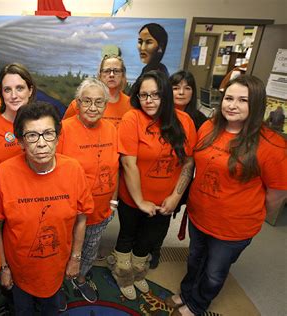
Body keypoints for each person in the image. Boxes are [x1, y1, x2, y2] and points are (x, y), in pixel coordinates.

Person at [166, 75, 287, 316]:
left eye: (243, 100)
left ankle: (197, 304)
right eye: (229, 98)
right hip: (200, 215)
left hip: (233, 227)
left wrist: (250, 214)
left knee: (214, 271)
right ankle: (187, 291)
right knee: (194, 259)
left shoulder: (271, 145)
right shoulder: (210, 127)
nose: (232, 105)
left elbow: (277, 194)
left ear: (257, 105)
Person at [0, 101, 93, 315]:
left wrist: (76, 258)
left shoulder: (73, 170)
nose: (41, 143)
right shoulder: (3, 173)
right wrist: (4, 267)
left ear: (58, 137)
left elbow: (82, 218)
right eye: (31, 136)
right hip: (19, 269)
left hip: (57, 266)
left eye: (48, 134)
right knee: (23, 309)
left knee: (51, 308)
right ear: (20, 142)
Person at [109, 70, 197, 300]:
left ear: (166, 95)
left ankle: (137, 274)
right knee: (127, 236)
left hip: (166, 201)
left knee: (148, 241)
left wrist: (176, 197)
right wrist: (140, 201)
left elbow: (188, 163)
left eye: (155, 95)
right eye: (144, 95)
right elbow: (128, 164)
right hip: (133, 197)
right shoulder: (132, 118)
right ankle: (123, 275)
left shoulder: (185, 122)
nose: (149, 101)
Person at [57, 78, 119, 303]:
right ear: (77, 103)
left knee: (90, 251)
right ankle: (59, 287)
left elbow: (115, 167)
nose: (93, 108)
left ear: (106, 105)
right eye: (87, 101)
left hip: (100, 211)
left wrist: (113, 202)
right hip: (69, 213)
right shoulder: (63, 130)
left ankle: (80, 278)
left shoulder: (112, 130)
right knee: (62, 252)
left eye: (99, 102)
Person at [148, 70, 208, 269]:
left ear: (193, 92)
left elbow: (197, 158)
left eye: (187, 88)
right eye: (175, 87)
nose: (181, 92)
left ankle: (155, 250)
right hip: (154, 176)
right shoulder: (156, 113)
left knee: (164, 216)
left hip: (181, 179)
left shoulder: (200, 121)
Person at [0, 63, 36, 170]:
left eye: (19, 88)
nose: (14, 96)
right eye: (7, 90)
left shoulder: (41, 124)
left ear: (30, 91)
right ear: (1, 93)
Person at [63, 54, 132, 128]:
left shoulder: (131, 105)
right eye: (107, 71)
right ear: (100, 75)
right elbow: (63, 130)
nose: (111, 75)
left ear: (123, 75)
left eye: (116, 71)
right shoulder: (79, 104)